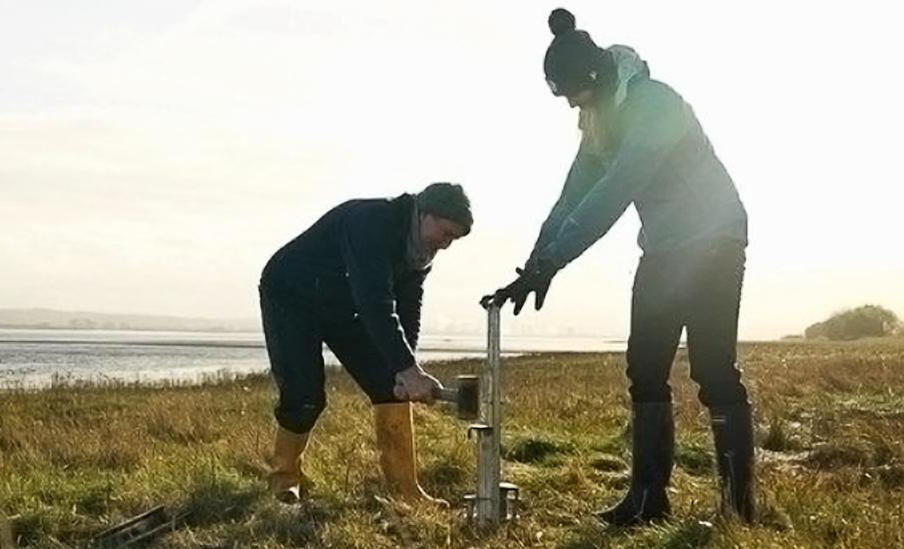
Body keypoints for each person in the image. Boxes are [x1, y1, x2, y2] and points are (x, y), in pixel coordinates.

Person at [488, 8, 755, 525]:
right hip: (663, 248)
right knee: (645, 368)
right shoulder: (598, 121)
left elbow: (615, 192)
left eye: (570, 93)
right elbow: (572, 197)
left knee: (713, 370)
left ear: (595, 78)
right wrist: (536, 264)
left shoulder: (657, 106)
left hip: (714, 243)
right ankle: (648, 500)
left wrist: (557, 259)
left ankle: (738, 509)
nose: (568, 105)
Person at [259, 182, 472, 504]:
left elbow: (407, 308)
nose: (445, 245)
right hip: (291, 296)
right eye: (444, 233)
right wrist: (407, 369)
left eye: (453, 239)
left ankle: (405, 491)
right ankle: (284, 478)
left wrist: (405, 371)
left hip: (343, 304)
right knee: (305, 394)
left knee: (389, 384)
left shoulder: (419, 253)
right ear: (424, 213)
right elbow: (375, 302)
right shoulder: (371, 222)